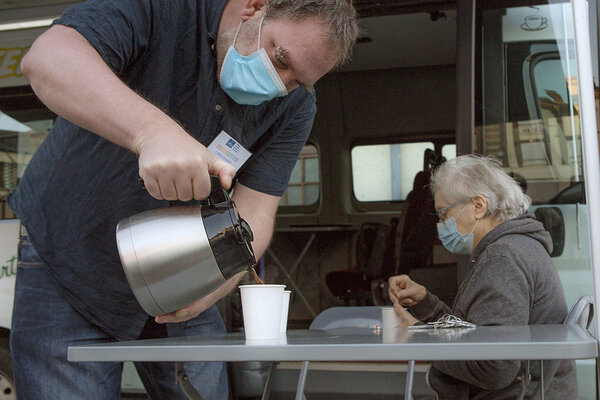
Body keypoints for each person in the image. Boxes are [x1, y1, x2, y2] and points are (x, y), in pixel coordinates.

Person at [7, 0, 359, 398]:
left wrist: (211, 289)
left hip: (184, 279)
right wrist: (153, 132)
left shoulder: (294, 106)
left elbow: (257, 211)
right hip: (69, 260)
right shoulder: (165, 8)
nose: (280, 84)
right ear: (255, 7)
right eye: (279, 59)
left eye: (298, 80)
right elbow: (49, 58)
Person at [388, 155, 577, 399]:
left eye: (444, 214)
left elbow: (494, 368)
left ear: (478, 206)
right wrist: (426, 304)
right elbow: (472, 333)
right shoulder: (512, 247)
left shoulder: (503, 258)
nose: (441, 225)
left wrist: (418, 337)